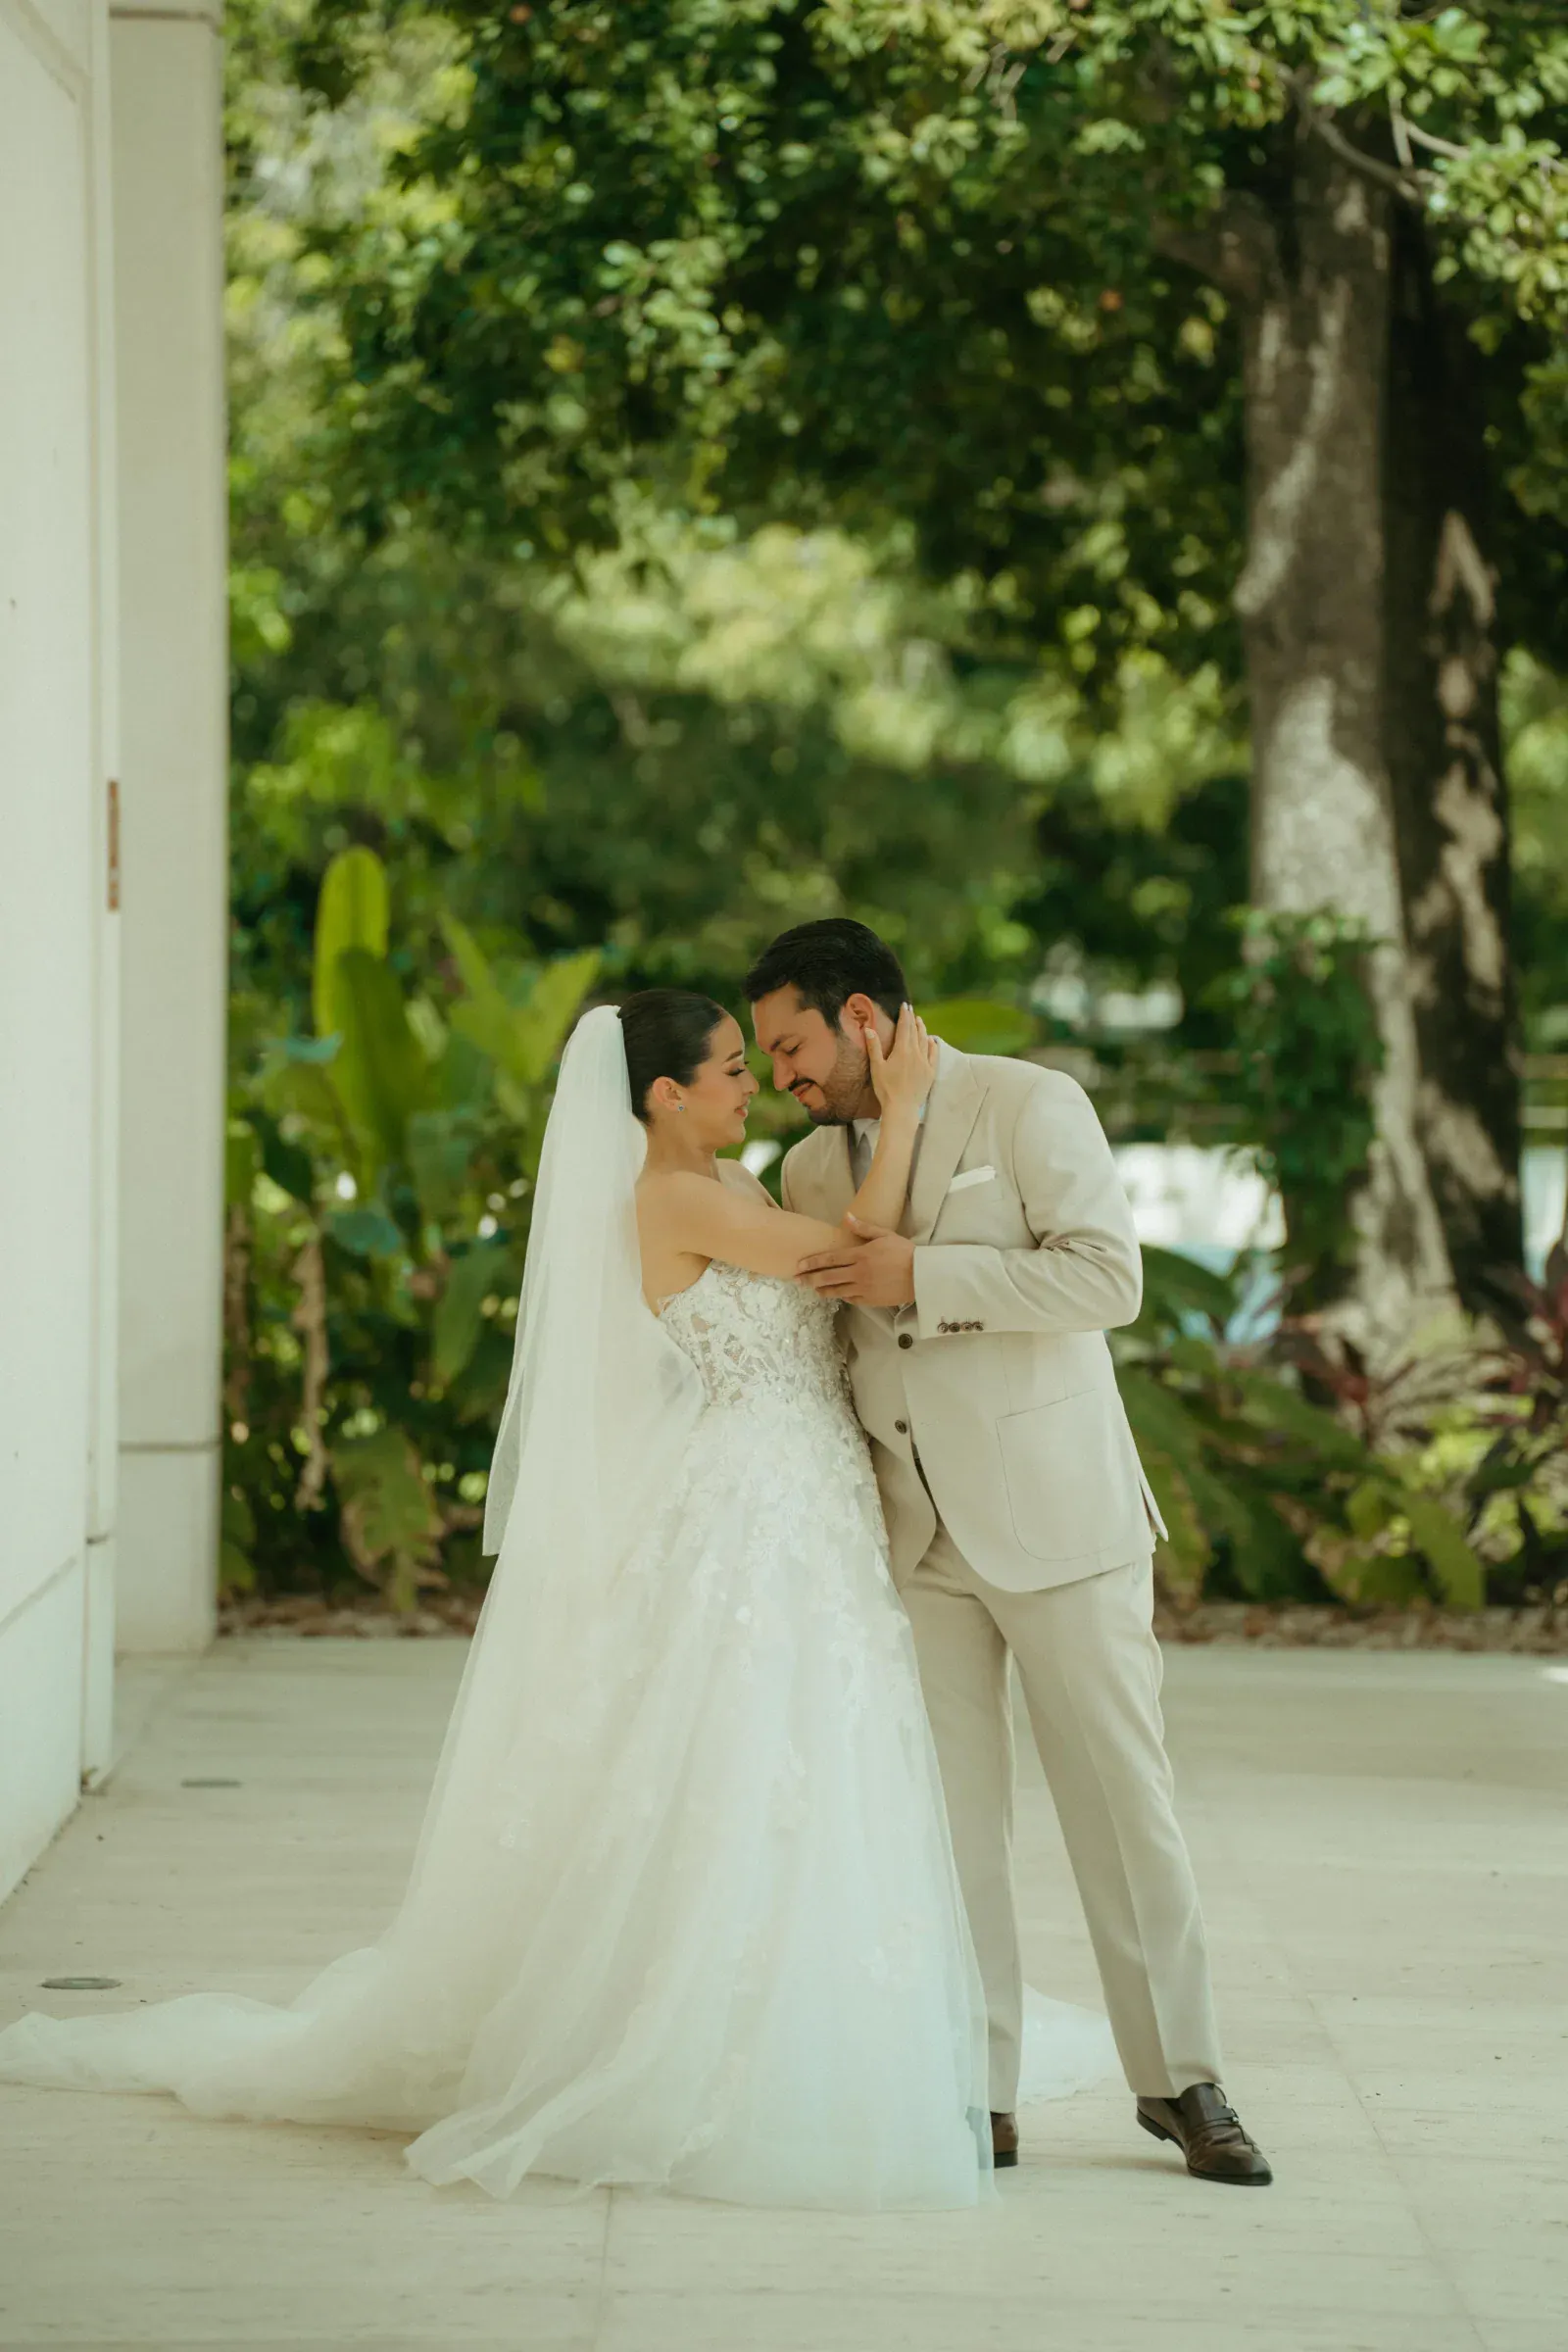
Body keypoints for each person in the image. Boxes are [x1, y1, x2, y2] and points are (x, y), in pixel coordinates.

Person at [0, 993, 1110, 2209]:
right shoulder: (670, 1198)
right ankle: (699, 2029)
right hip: (747, 1509)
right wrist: (900, 1114)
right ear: (661, 1096)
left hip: (816, 1497)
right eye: (730, 1069)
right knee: (740, 1755)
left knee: (820, 1759)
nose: (752, 1085)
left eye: (756, 1063)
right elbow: (850, 1259)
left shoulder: (738, 1180)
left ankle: (832, 2000)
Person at [748, 918, 1272, 2188]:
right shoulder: (810, 1171)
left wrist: (924, 1269)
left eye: (795, 1044)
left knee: (1120, 1807)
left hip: (1059, 1520)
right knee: (947, 1827)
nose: (782, 1076)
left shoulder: (1033, 1103)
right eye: (766, 1056)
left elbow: (1106, 1281)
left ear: (864, 1015)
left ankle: (1181, 2080)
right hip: (912, 1537)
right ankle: (978, 2089)